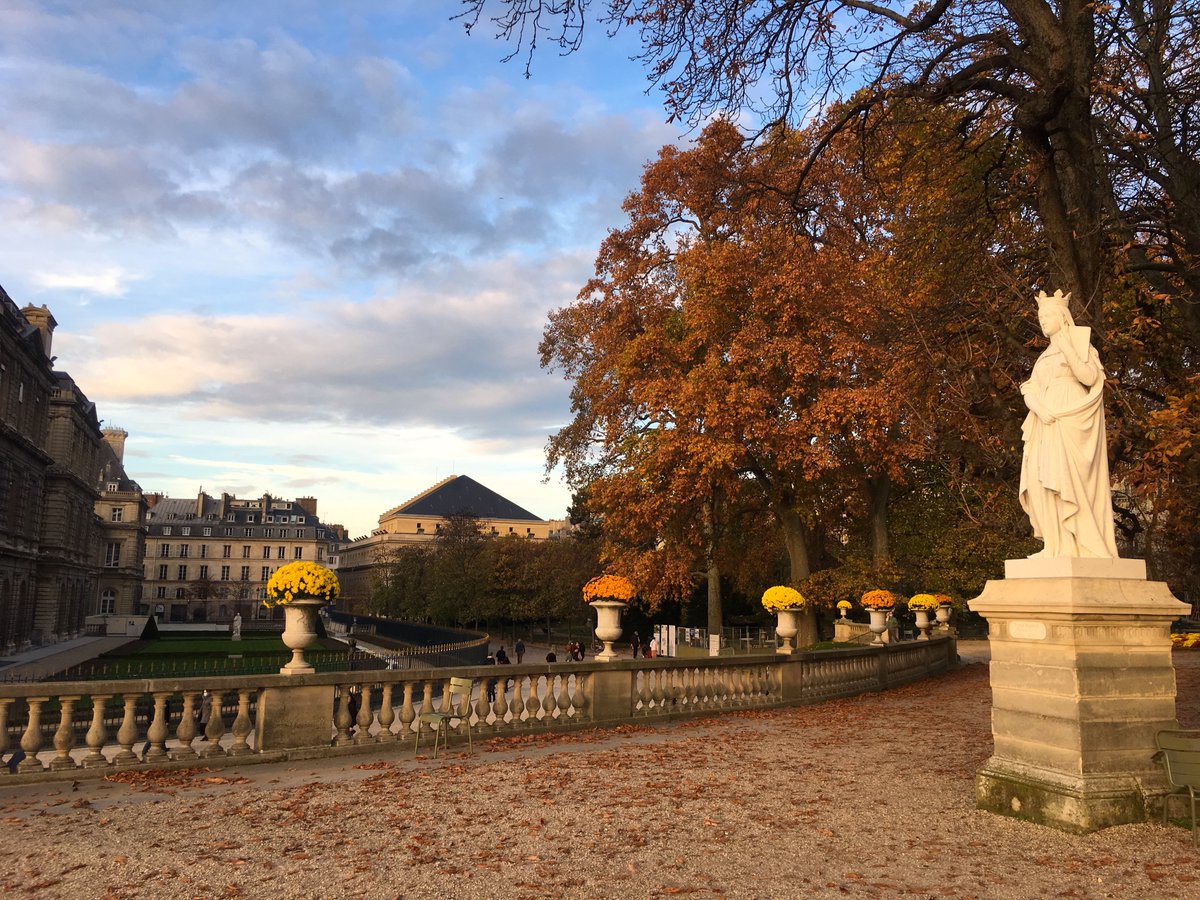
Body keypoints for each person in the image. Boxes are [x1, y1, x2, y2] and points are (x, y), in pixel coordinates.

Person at [1018, 289, 1119, 558]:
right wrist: (1038, 406)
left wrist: (1067, 349)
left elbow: (1089, 377)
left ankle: (1075, 544)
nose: (1042, 321)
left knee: (1065, 479)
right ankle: (1054, 544)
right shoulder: (1043, 357)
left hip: (1071, 417)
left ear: (1062, 317)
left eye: (1047, 315)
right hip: (1045, 420)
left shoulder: (1080, 346)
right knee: (1041, 478)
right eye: (1040, 316)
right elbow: (1029, 389)